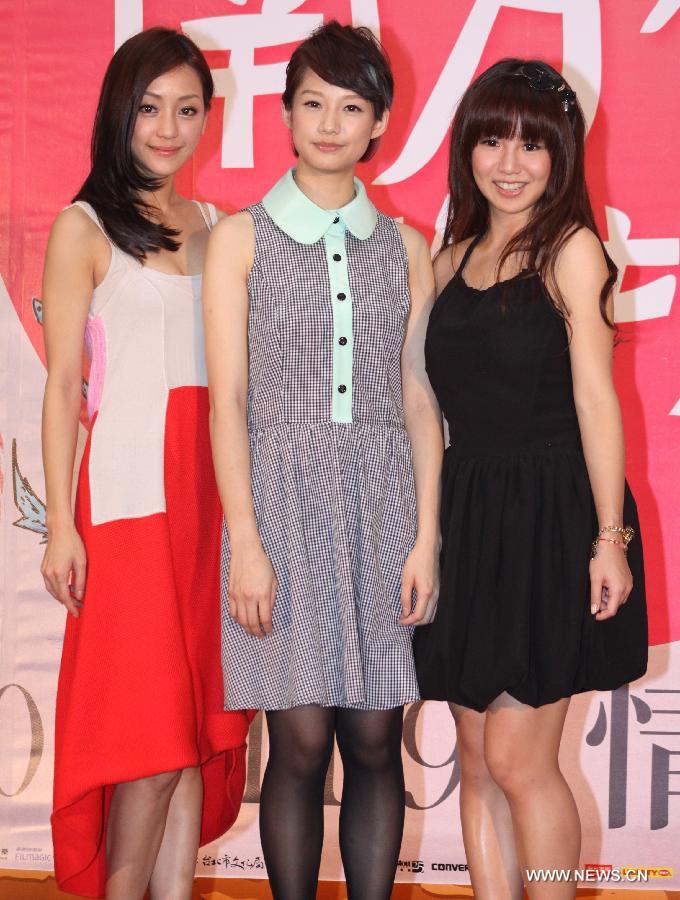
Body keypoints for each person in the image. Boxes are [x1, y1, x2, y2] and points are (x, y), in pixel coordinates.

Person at [202, 21, 443, 900]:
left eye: (352, 107)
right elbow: (230, 404)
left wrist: (427, 540)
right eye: (313, 103)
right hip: (281, 506)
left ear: (379, 122)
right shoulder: (241, 239)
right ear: (286, 112)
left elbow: (418, 399)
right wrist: (248, 544)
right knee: (299, 740)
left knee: (376, 739)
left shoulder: (407, 247)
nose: (331, 123)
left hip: (384, 505)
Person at [413, 59, 648, 899]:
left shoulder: (571, 249)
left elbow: (596, 399)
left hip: (553, 518)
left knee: (519, 756)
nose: (509, 161)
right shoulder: (448, 261)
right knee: (475, 756)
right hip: (469, 519)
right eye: (490, 138)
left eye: (531, 143)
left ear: (561, 154)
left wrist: (609, 537)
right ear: (466, 148)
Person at [40, 27, 250, 900]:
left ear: (210, 116)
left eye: (187, 108)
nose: (168, 127)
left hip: (212, 500)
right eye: (150, 107)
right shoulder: (81, 227)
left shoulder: (218, 228)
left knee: (194, 731)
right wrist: (60, 522)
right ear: (118, 114)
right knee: (147, 742)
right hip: (130, 502)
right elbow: (61, 389)